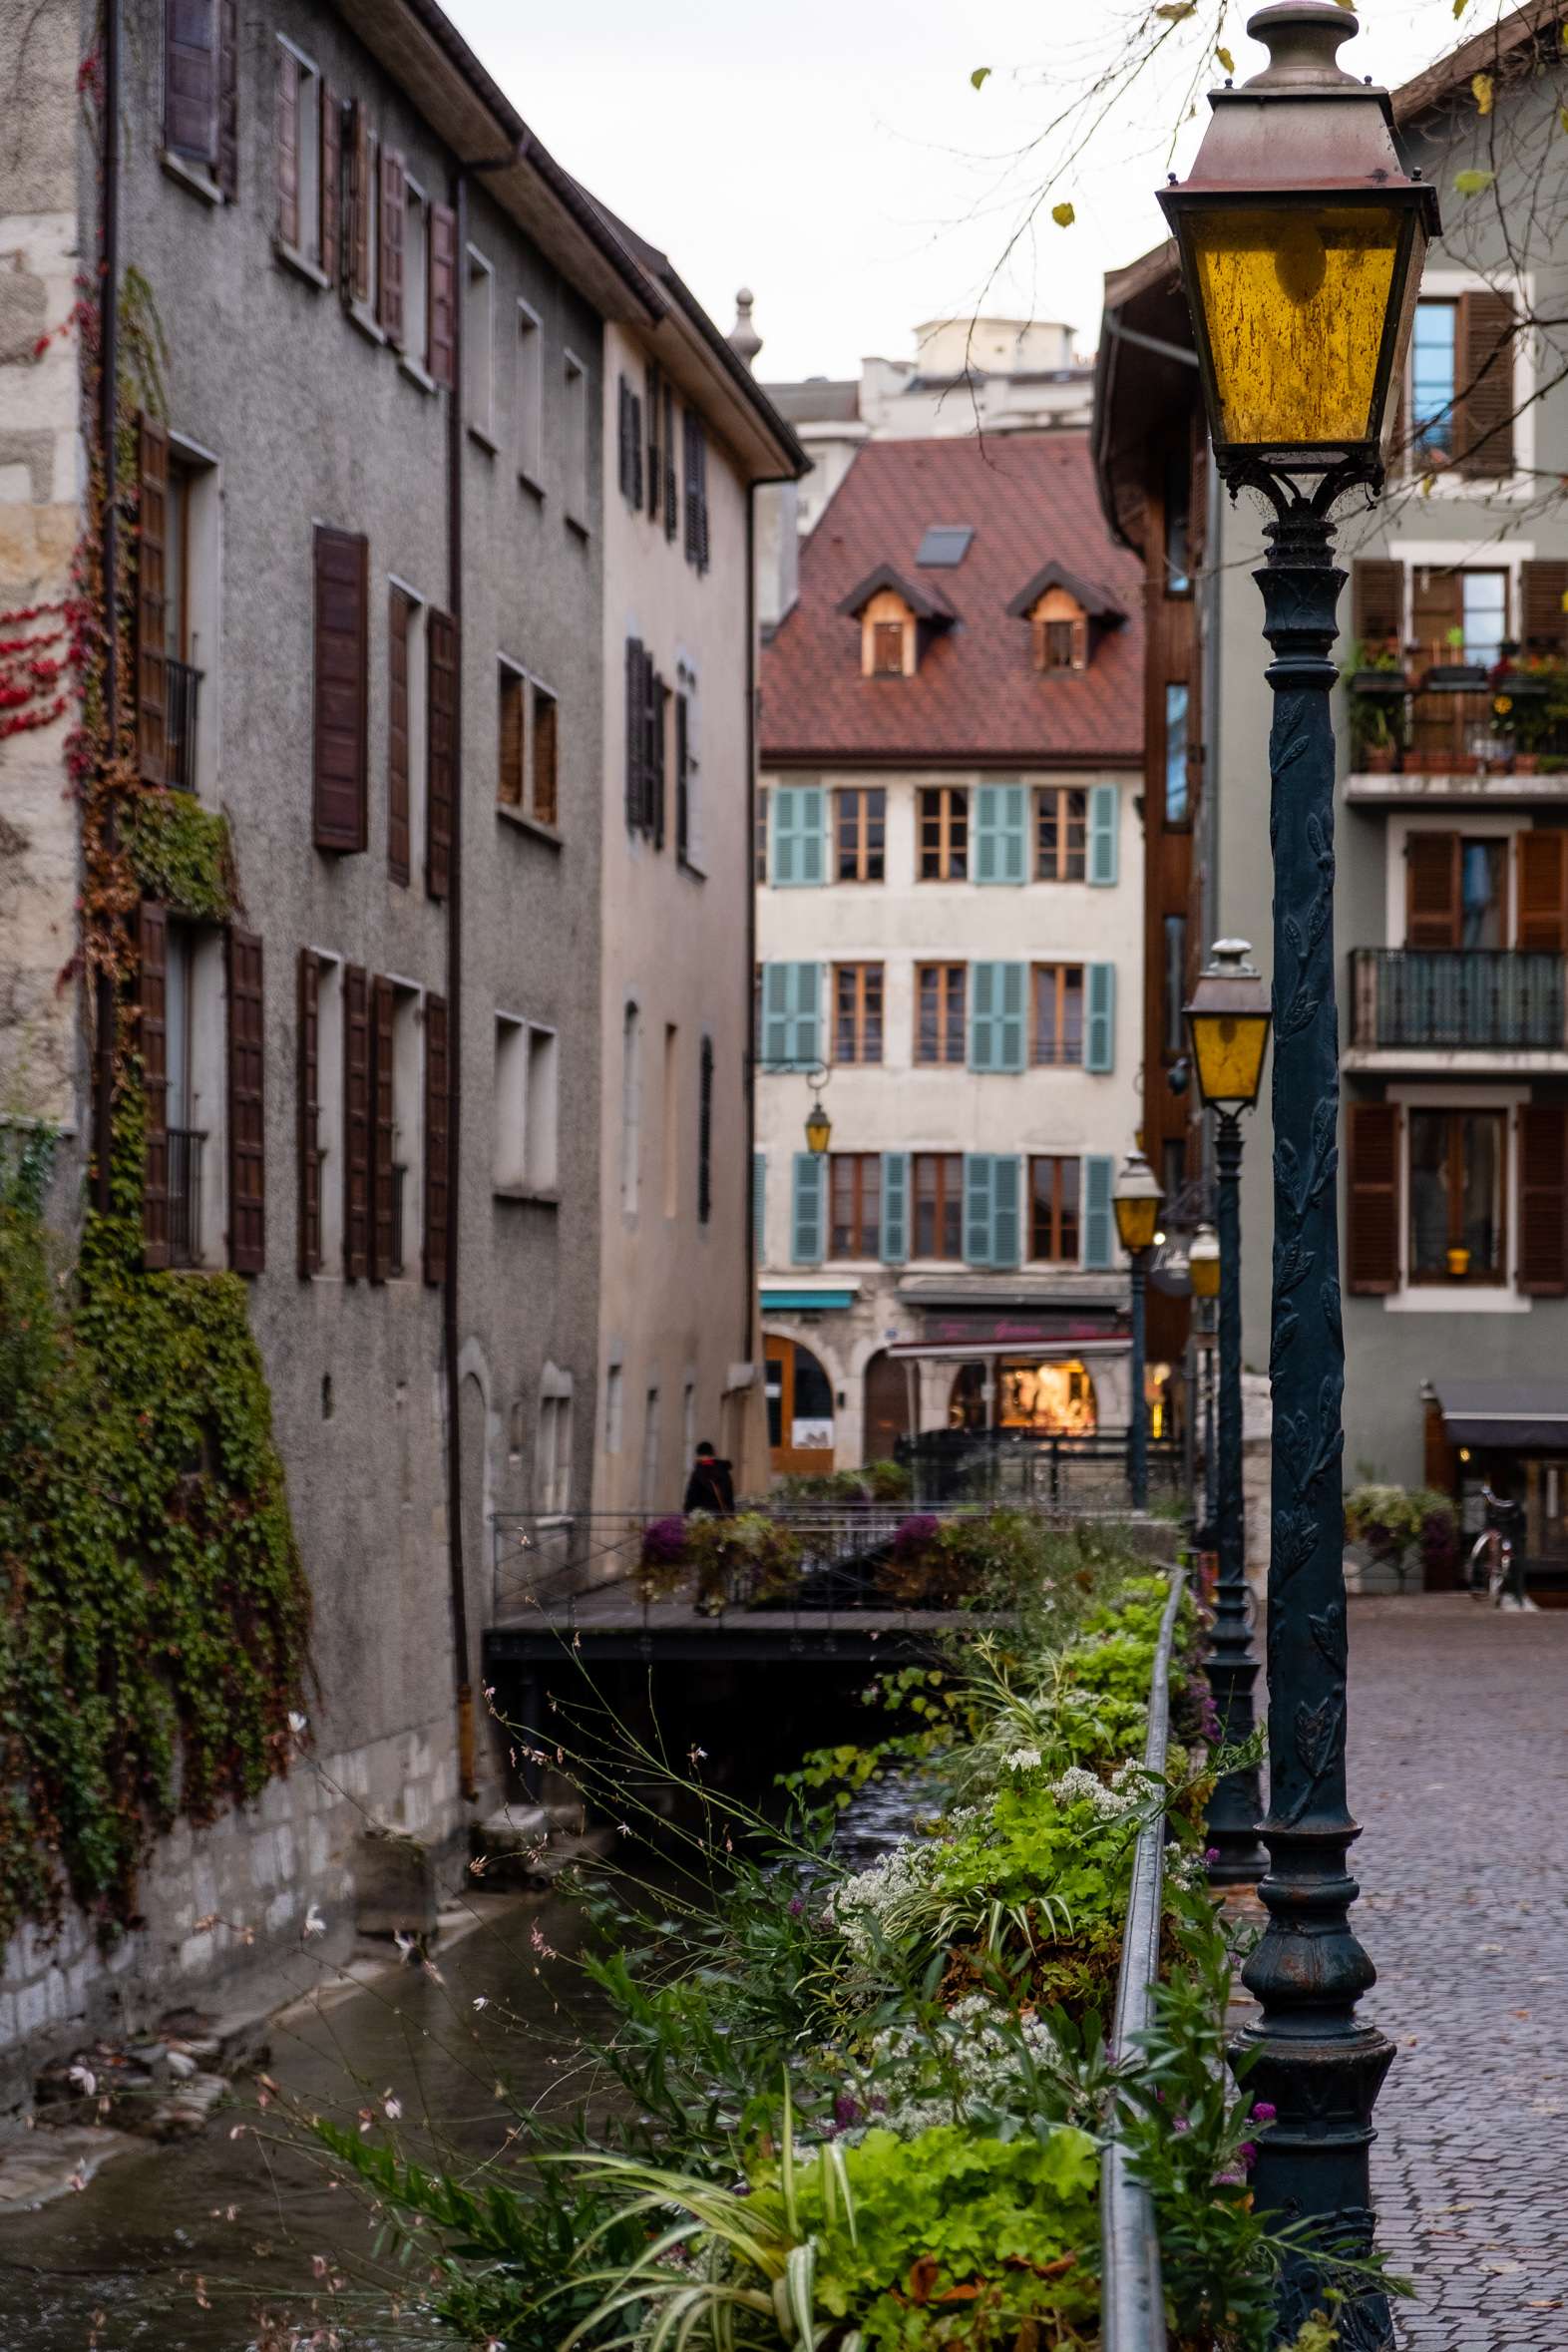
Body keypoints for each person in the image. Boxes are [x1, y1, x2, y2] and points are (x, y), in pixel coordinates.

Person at [683, 1440, 734, 1517]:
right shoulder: (723, 1470)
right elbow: (729, 1495)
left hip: (703, 1518)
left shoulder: (699, 1472)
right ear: (712, 1453)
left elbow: (691, 1497)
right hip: (722, 1518)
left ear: (699, 1455)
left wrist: (687, 1513)